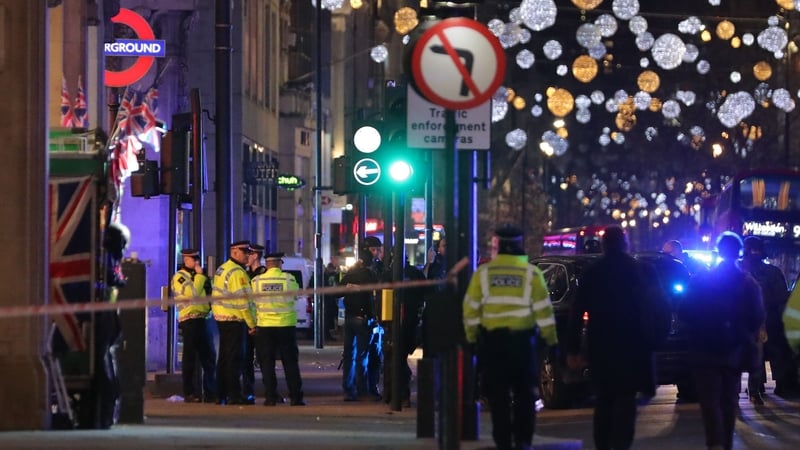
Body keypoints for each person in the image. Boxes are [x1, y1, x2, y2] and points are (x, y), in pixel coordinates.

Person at [566, 225, 668, 450]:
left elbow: (576, 312)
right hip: (634, 347)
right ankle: (621, 444)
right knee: (626, 400)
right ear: (625, 243)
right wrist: (657, 340)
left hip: (602, 348)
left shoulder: (592, 273)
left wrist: (573, 349)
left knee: (604, 401)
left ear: (603, 245)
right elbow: (661, 308)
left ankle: (603, 445)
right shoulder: (643, 271)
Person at [463, 225, 558, 450]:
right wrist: (551, 341)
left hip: (493, 344)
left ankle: (503, 441)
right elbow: (544, 312)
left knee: (498, 396)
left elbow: (470, 311)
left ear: (498, 246)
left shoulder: (484, 274)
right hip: (522, 344)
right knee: (525, 394)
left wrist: (473, 339)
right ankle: (523, 440)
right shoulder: (531, 274)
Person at [679, 232, 764, 450]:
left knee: (709, 401)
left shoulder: (701, 280)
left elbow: (685, 311)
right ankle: (725, 442)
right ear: (739, 253)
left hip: (705, 349)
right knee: (729, 400)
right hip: (733, 350)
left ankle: (715, 442)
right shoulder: (748, 283)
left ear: (718, 251)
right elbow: (757, 317)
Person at [740, 236, 798, 400]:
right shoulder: (773, 272)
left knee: (754, 355)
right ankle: (774, 385)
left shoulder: (742, 271)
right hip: (770, 319)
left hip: (750, 321)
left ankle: (756, 388)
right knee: (775, 354)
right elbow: (781, 297)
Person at [251, 252, 306, 406]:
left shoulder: (256, 281)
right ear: (280, 263)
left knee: (267, 363)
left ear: (267, 264)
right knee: (290, 362)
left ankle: (270, 397)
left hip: (265, 327)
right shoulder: (289, 279)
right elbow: (296, 296)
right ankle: (296, 397)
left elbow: (253, 302)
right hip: (286, 326)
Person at [211, 240, 256, 405]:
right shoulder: (237, 273)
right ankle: (234, 395)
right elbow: (243, 303)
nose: (247, 256)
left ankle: (220, 394)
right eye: (245, 252)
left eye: (248, 253)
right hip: (234, 319)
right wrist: (252, 324)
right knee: (234, 359)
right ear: (234, 252)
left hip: (222, 318)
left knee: (223, 358)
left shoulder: (222, 268)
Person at [171, 248, 217, 403]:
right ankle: (189, 392)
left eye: (198, 260)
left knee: (209, 357)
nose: (197, 262)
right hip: (189, 320)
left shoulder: (200, 276)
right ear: (186, 260)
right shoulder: (180, 277)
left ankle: (210, 392)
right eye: (194, 260)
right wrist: (199, 276)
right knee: (189, 358)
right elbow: (193, 294)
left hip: (203, 319)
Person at [339, 242, 380, 401]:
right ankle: (361, 389)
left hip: (350, 318)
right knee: (362, 356)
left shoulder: (350, 273)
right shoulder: (370, 275)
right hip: (364, 319)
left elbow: (337, 292)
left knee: (349, 355)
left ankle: (348, 389)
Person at [240, 243, 266, 405]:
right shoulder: (245, 273)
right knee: (247, 359)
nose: (246, 258)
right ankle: (248, 392)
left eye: (249, 255)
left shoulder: (263, 274)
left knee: (264, 358)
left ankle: (270, 390)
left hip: (262, 322)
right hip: (249, 322)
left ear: (255, 256)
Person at [323, 262, 341, 341]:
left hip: (331, 299)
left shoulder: (331, 275)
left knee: (331, 316)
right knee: (328, 318)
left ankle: (329, 333)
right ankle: (327, 334)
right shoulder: (325, 276)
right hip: (327, 300)